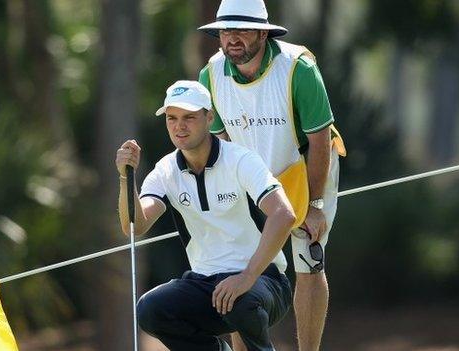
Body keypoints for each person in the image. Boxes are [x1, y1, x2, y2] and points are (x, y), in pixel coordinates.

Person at [197, 0, 346, 350]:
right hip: (254, 176)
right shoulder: (211, 75)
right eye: (225, 30)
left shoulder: (298, 68)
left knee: (308, 259)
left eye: (242, 29)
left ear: (263, 32)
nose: (231, 38)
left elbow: (319, 139)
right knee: (237, 265)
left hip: (305, 167)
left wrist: (315, 205)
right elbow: (221, 144)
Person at [116, 80, 296, 351]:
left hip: (264, 281)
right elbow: (135, 225)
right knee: (151, 309)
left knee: (240, 301)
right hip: (205, 285)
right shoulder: (166, 170)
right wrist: (124, 178)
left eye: (189, 117)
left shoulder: (240, 160)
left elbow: (283, 214)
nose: (179, 126)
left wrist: (246, 277)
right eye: (172, 118)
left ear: (209, 118)